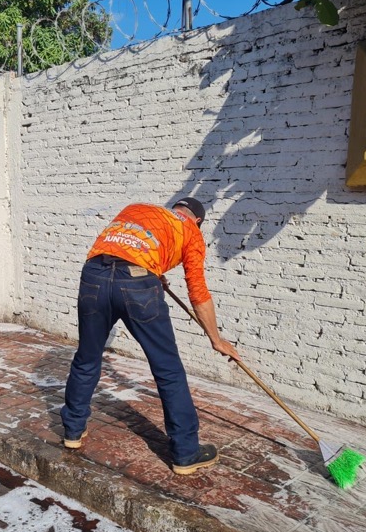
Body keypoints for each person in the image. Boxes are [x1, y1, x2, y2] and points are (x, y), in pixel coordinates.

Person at [60, 197, 240, 475]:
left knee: (87, 357)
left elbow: (126, 251)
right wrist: (215, 338)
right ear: (199, 221)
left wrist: (153, 273)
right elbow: (198, 291)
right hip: (138, 285)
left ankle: (72, 431)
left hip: (94, 275)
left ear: (175, 210)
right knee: (168, 369)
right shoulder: (191, 232)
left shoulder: (137, 209)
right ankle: (186, 453)